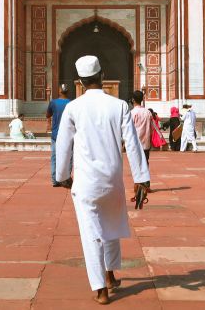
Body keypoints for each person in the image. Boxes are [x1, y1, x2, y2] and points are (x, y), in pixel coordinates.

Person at [56, 55, 150, 306]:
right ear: (101, 75)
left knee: (91, 234)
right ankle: (110, 275)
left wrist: (63, 176)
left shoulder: (73, 107)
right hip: (113, 180)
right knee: (110, 229)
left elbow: (63, 146)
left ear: (81, 81)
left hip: (86, 182)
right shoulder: (119, 105)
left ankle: (100, 289)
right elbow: (132, 143)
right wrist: (142, 178)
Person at [46, 84, 72, 186]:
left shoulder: (53, 102)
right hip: (68, 134)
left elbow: (48, 115)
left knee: (55, 157)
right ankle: (66, 179)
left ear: (60, 91)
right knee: (68, 156)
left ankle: (55, 180)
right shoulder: (71, 103)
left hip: (56, 133)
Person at [130, 90, 153, 161]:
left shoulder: (132, 113)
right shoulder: (148, 112)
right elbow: (151, 128)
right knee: (145, 163)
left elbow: (129, 129)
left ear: (133, 100)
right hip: (146, 143)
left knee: (136, 165)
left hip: (135, 143)